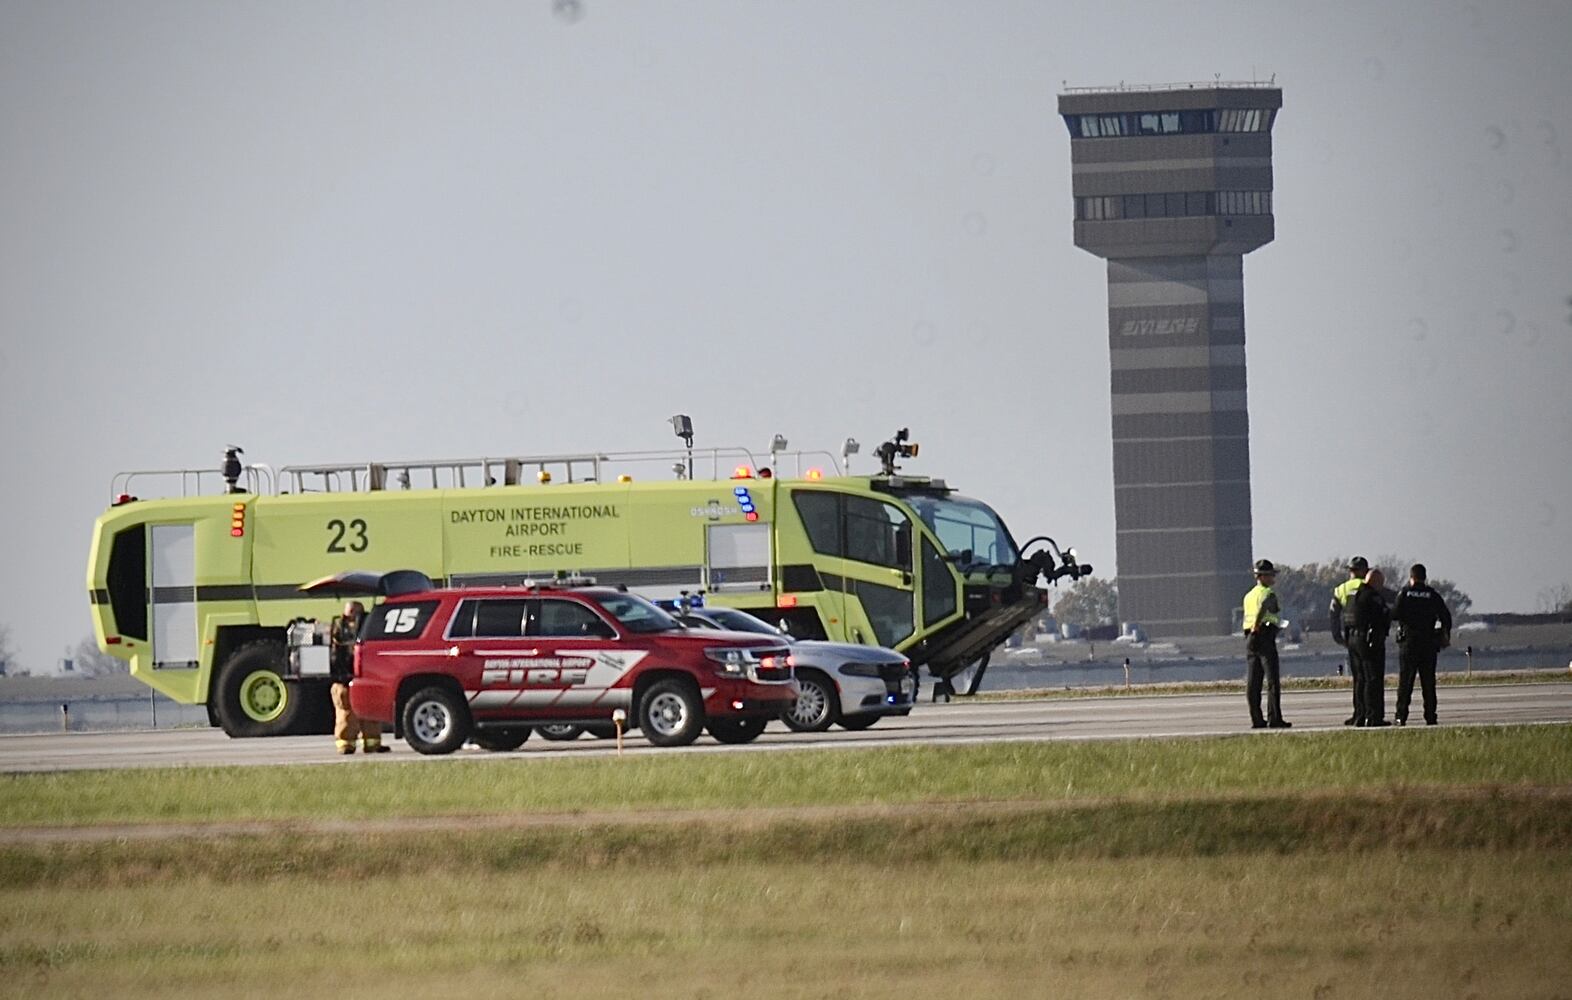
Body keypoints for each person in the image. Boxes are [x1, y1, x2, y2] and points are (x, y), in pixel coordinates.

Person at [1390, 564, 1452, 726]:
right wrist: (1444, 635)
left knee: (1405, 682)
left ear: (1411, 577)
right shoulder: (1432, 595)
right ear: (1424, 577)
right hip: (1428, 642)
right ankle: (1430, 716)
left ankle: (1400, 716)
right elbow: (1446, 617)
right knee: (1428, 682)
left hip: (1409, 643)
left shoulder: (1404, 593)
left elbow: (1394, 614)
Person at [330, 601, 387, 754]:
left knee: (370, 711)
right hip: (344, 678)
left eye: (353, 614)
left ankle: (372, 743)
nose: (350, 618)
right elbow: (335, 655)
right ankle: (345, 744)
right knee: (346, 713)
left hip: (364, 676)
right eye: (349, 614)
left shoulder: (368, 628)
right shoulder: (338, 630)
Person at [1241, 559, 1291, 729]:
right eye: (1270, 575)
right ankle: (1274, 718)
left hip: (1250, 638)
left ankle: (1256, 719)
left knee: (1253, 681)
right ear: (1262, 576)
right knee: (1272, 680)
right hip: (1263, 635)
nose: (1273, 579)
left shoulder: (1249, 595)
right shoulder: (1268, 593)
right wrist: (1258, 624)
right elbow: (1266, 609)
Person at [1345, 568, 1391, 727]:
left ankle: (1359, 715)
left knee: (1360, 680)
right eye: (1381, 583)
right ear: (1375, 582)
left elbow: (1346, 618)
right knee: (1373, 679)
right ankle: (1374, 716)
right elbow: (1384, 617)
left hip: (1352, 640)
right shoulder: (1373, 597)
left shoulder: (1352, 595)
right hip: (1368, 641)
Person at [1328, 556, 1369, 725]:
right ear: (1363, 571)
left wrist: (1338, 637)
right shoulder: (1368, 586)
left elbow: (1333, 614)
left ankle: (1358, 713)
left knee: (1357, 678)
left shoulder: (1341, 589)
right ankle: (1370, 713)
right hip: (1366, 635)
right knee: (1369, 677)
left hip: (1350, 637)